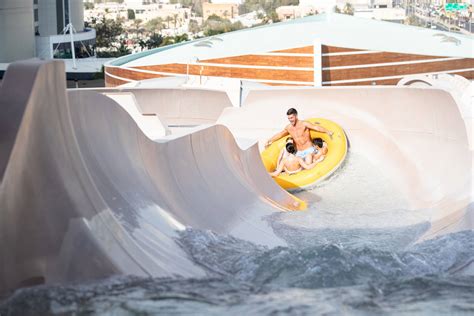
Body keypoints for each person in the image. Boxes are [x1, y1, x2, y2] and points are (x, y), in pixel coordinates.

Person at [265, 108, 333, 165]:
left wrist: (327, 131)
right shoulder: (289, 128)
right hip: (298, 153)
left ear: (296, 116)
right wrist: (269, 140)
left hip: (309, 150)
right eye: (289, 118)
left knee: (308, 165)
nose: (290, 120)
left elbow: (316, 127)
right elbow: (280, 134)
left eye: (291, 117)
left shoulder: (304, 124)